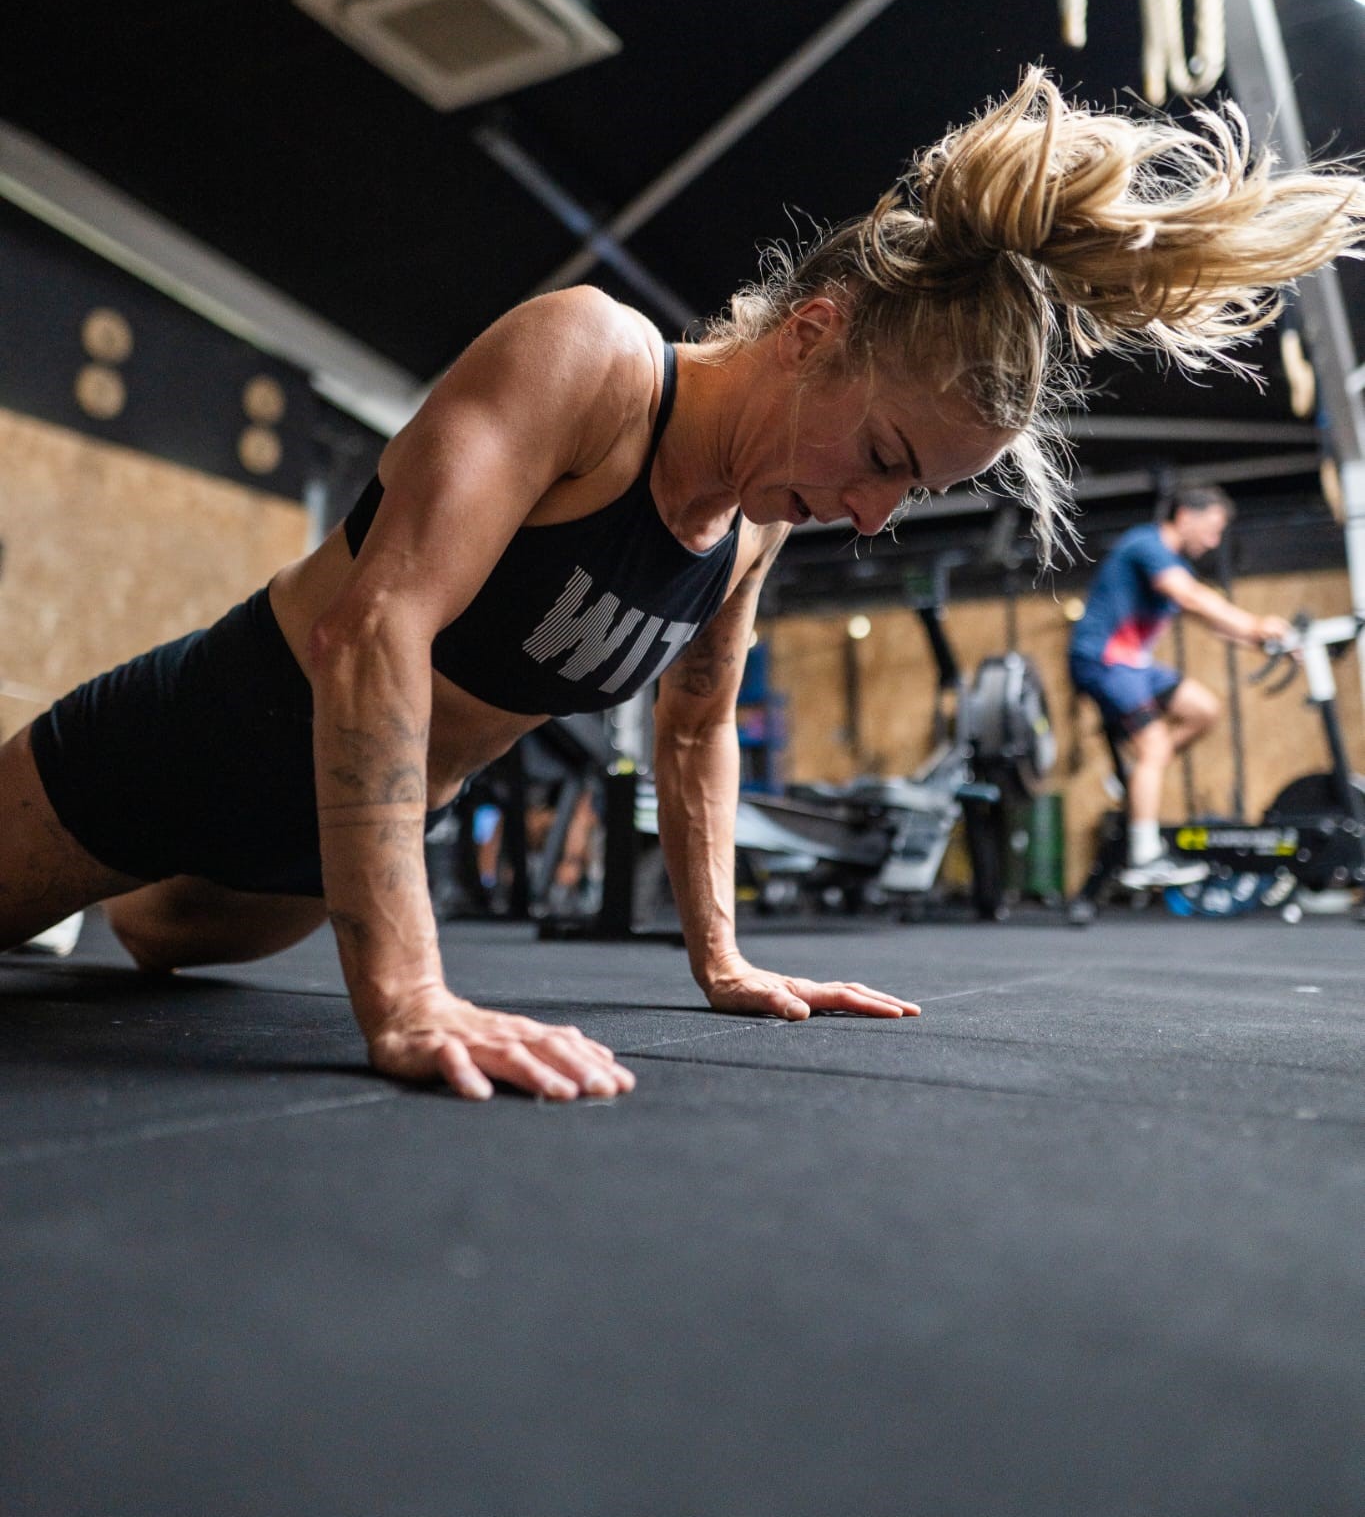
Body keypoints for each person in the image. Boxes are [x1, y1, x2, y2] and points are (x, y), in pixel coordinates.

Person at [2, 71, 1361, 1098]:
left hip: (320, 845)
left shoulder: (753, 527)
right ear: (814, 332)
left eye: (911, 497)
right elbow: (374, 626)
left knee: (150, 942)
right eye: (885, 458)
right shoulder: (593, 366)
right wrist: (407, 993)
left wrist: (722, 956)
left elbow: (699, 724)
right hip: (195, 741)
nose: (873, 516)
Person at [1068, 485, 1290, 888]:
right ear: (1185, 515)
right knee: (1154, 746)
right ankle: (1143, 856)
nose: (1214, 540)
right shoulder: (1146, 544)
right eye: (1213, 528)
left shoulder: (1173, 564)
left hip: (1136, 666)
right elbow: (1192, 599)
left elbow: (1212, 621)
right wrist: (1257, 624)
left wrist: (1264, 641)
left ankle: (1136, 778)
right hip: (1103, 661)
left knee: (1203, 710)